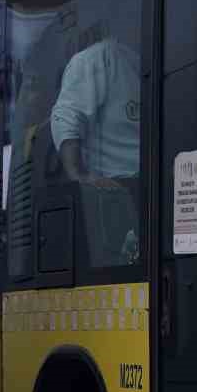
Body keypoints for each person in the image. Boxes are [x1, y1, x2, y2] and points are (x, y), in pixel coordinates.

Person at [50, 34, 142, 266]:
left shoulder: (153, 57)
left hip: (154, 188)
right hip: (115, 194)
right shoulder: (99, 58)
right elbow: (67, 118)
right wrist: (79, 176)